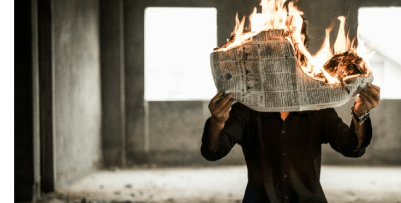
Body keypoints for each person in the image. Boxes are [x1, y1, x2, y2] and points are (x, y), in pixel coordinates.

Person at [200, 84, 380, 202]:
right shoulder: (246, 111)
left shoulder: (318, 110)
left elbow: (352, 148)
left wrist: (360, 114)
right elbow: (214, 151)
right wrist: (217, 121)